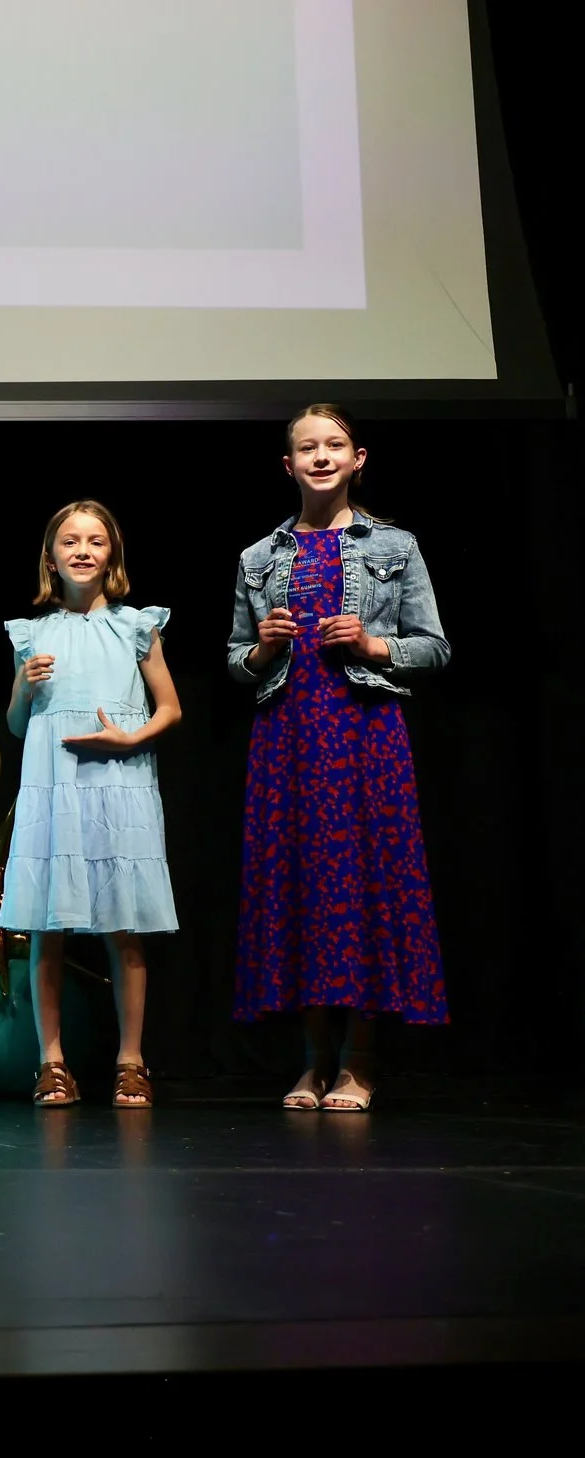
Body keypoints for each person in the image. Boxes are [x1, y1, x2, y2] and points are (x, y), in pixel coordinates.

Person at [228, 405, 450, 1112]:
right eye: (307, 448)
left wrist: (373, 646)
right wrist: (262, 649)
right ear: (288, 465)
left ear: (358, 459)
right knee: (301, 887)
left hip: (364, 733)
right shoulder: (259, 557)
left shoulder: (395, 545)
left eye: (334, 445)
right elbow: (236, 659)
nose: (321, 456)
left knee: (362, 886)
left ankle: (358, 1061)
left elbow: (434, 647)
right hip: (289, 738)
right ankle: (313, 1060)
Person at [0, 500, 181, 1109]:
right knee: (48, 925)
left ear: (111, 556)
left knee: (123, 924)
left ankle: (131, 1061)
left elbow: (170, 708)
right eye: (70, 541)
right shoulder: (32, 634)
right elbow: (18, 725)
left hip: (118, 781)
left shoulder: (135, 626)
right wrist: (23, 685)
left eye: (95, 541)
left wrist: (130, 738)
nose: (82, 550)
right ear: (51, 557)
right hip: (55, 784)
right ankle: (51, 1062)